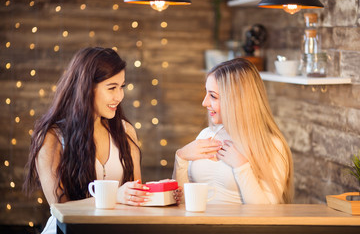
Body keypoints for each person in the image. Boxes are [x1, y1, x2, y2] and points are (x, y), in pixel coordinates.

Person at [23, 47, 153, 234]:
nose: (119, 96)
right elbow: (61, 209)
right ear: (86, 88)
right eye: (112, 88)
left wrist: (160, 191)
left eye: (121, 87)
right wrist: (115, 196)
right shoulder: (52, 137)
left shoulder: (126, 132)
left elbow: (135, 197)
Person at [173, 58, 294, 204]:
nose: (204, 103)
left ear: (236, 100)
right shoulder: (206, 135)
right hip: (197, 225)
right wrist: (181, 157)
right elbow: (181, 202)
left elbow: (266, 212)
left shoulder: (271, 145)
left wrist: (242, 167)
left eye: (213, 96)